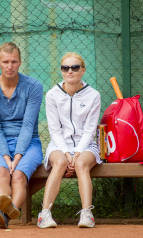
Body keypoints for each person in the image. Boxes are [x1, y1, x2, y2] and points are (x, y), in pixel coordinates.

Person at [0, 42, 43, 229]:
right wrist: (6, 157)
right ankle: (8, 212)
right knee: (1, 172)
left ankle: (5, 215)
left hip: (29, 143)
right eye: (5, 61)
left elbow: (28, 125)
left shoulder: (33, 87)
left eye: (14, 61)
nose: (10, 66)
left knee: (19, 176)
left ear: (20, 62)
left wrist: (18, 156)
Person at [37, 52, 102, 229]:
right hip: (60, 145)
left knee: (81, 164)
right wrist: (66, 153)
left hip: (86, 145)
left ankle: (87, 214)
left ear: (83, 70)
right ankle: (45, 214)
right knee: (59, 162)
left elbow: (90, 130)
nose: (70, 71)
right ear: (62, 70)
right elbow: (54, 130)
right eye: (65, 68)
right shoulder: (52, 95)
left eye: (75, 67)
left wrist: (77, 153)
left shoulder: (93, 95)